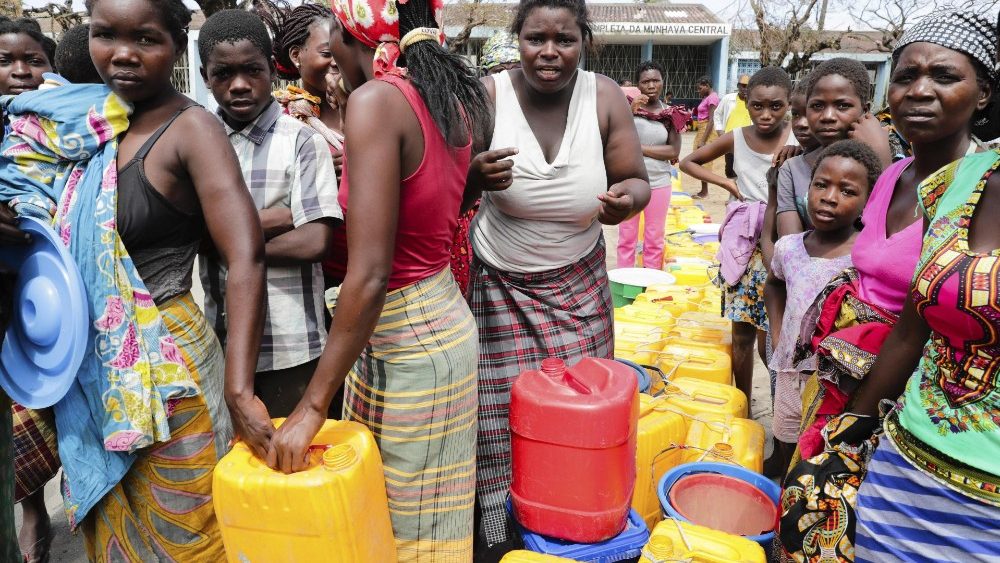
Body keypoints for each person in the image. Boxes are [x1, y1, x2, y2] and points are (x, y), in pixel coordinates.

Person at [0, 0, 270, 557]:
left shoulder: (191, 129)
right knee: (114, 533)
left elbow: (246, 256)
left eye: (145, 39)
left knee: (188, 533)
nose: (123, 54)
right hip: (88, 365)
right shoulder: (75, 124)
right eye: (106, 35)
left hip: (170, 365)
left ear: (175, 42)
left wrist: (241, 389)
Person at [263, 0, 491, 558]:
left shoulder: (377, 103)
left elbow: (370, 273)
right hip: (435, 318)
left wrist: (312, 407)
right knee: (427, 521)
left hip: (405, 335)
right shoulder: (447, 94)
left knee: (404, 526)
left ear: (351, 35)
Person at [778, 12, 998, 561]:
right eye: (905, 76)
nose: (919, 90)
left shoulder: (979, 186)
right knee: (816, 513)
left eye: (944, 76)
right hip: (847, 369)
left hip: (917, 392)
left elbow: (930, 318)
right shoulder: (894, 177)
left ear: (984, 93)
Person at [465, 0, 649, 552]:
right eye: (535, 39)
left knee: (583, 412)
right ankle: (502, 539)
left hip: (579, 289)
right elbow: (448, 183)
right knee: (500, 422)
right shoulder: (488, 96)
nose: (549, 52)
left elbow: (636, 177)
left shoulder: (604, 97)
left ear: (583, 41)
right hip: (498, 287)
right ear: (516, 40)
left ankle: (577, 534)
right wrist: (474, 177)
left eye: (564, 40)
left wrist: (626, 201)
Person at [198, 10, 341, 418]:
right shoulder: (198, 144)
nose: (239, 84)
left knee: (294, 450)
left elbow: (315, 240)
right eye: (223, 73)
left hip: (292, 344)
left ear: (273, 70)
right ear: (205, 77)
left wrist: (226, 240)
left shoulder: (302, 141)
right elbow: (191, 234)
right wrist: (280, 217)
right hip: (221, 341)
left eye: (252, 70)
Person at [763, 139, 880, 477]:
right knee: (787, 437)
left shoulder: (864, 257)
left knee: (822, 453)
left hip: (835, 382)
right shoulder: (789, 248)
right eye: (821, 185)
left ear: (867, 202)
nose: (829, 197)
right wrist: (778, 332)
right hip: (790, 371)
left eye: (847, 191)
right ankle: (784, 492)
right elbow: (774, 285)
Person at [680, 66, 792, 405]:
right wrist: (727, 184)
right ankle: (742, 406)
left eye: (776, 106)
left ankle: (781, 406)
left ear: (789, 104)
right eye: (758, 106)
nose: (766, 114)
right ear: (746, 102)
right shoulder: (737, 137)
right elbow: (688, 162)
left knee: (771, 338)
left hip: (783, 241)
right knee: (741, 333)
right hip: (745, 243)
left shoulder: (798, 138)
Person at [0, 18, 60, 563]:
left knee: (63, 407)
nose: (20, 71)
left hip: (60, 292)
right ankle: (33, 511)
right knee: (20, 417)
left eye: (34, 60)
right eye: (5, 61)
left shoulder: (66, 122)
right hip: (8, 300)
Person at [255, 1, 350, 291]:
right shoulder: (281, 121)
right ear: (297, 55)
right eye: (327, 53)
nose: (336, 62)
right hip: (314, 274)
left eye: (343, 51)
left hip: (373, 267)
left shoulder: (367, 107)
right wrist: (318, 175)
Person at [617, 59, 686, 269]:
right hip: (629, 181)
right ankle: (623, 280)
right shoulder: (627, 107)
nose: (651, 85)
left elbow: (673, 151)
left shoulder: (671, 114)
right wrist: (629, 111)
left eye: (656, 80)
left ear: (663, 82)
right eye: (645, 81)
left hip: (659, 182)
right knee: (627, 236)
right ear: (638, 84)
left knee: (654, 238)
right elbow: (617, 139)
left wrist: (638, 147)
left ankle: (652, 283)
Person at [716, 74, 752, 180]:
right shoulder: (728, 99)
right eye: (743, 86)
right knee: (730, 170)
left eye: (748, 86)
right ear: (738, 86)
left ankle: (742, 188)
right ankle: (733, 189)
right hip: (730, 140)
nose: (745, 89)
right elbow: (717, 114)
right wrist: (719, 130)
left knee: (745, 169)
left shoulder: (754, 102)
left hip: (747, 141)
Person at [692, 75, 720, 198]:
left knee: (704, 160)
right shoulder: (707, 97)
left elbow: (711, 120)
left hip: (707, 130)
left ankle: (705, 192)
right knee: (699, 159)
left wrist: (703, 140)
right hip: (702, 129)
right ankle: (703, 190)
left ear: (707, 86)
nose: (698, 91)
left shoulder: (712, 98)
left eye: (700, 88)